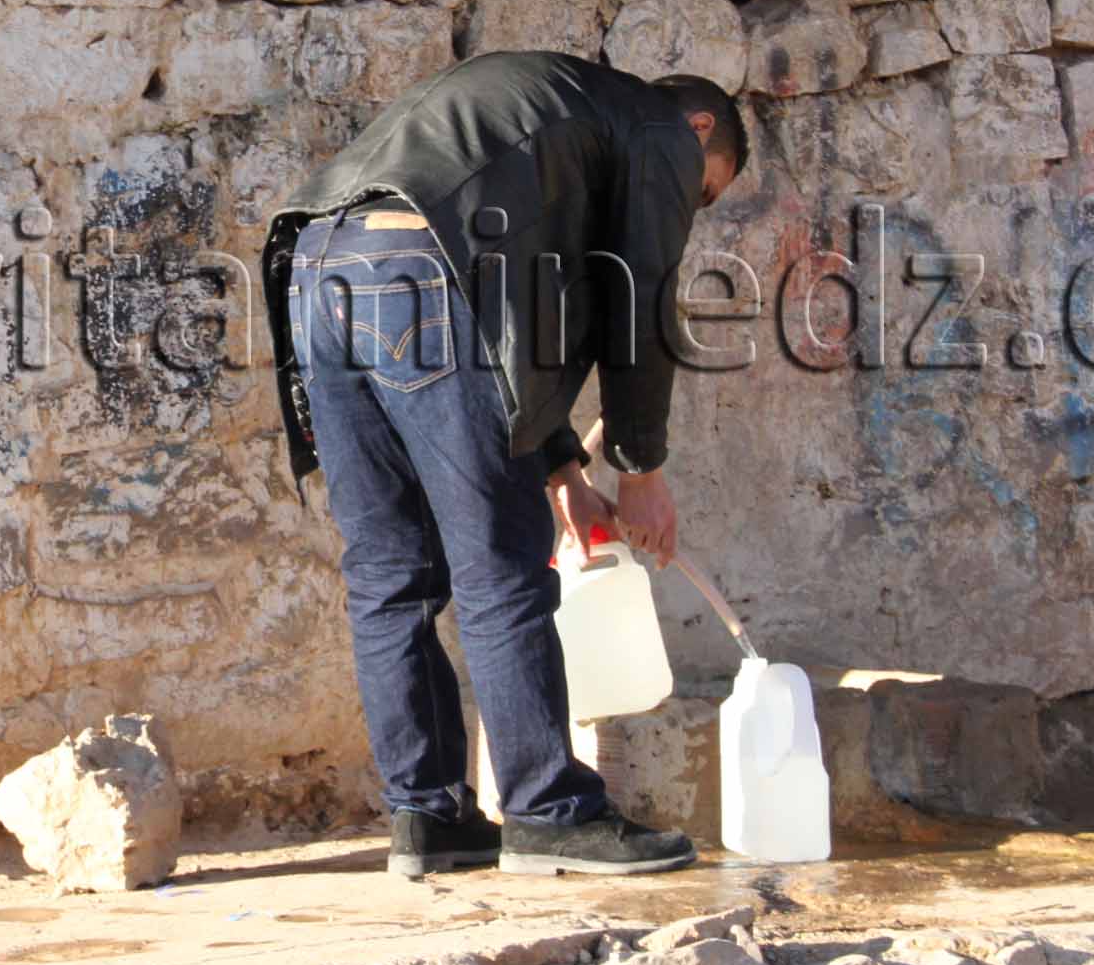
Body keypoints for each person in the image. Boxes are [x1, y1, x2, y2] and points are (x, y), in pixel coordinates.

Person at [264, 51, 746, 877]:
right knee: (500, 564)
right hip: (423, 266)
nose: (693, 206)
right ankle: (547, 809)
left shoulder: (561, 121)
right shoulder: (661, 128)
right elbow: (640, 295)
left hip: (317, 263)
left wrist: (564, 470)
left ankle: (429, 817)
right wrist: (640, 470)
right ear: (701, 127)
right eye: (708, 188)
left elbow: (537, 320)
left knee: (390, 571)